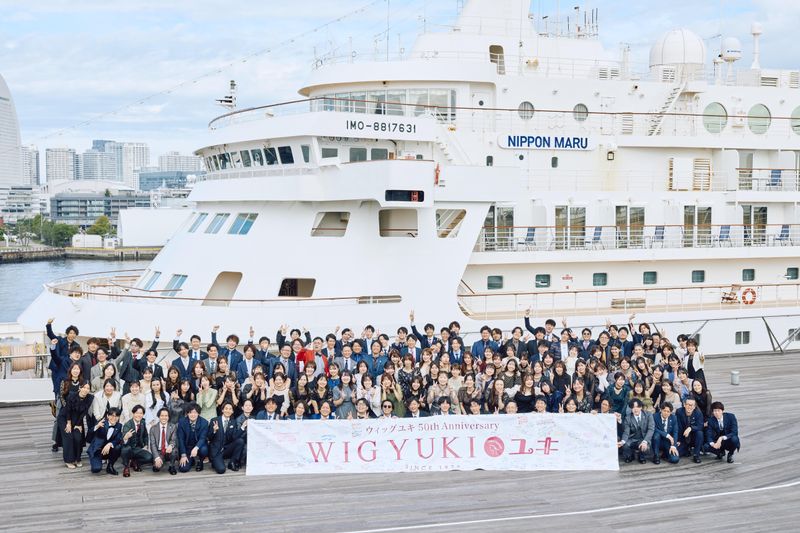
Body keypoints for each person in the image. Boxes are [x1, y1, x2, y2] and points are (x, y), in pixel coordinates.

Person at [59, 381, 93, 469]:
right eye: (84, 387)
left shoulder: (90, 398)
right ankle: (68, 460)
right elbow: (68, 410)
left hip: (78, 420)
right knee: (69, 436)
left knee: (78, 437)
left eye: (88, 388)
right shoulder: (72, 395)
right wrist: (69, 423)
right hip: (65, 418)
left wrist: (78, 424)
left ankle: (77, 458)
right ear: (80, 388)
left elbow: (84, 413)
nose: (85, 390)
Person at [208, 402, 245, 473]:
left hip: (226, 449)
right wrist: (214, 431)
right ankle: (215, 462)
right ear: (222, 410)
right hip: (217, 451)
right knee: (221, 470)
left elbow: (234, 437)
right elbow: (209, 437)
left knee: (240, 441)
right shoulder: (214, 420)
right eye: (226, 408)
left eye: (230, 409)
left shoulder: (233, 422)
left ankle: (232, 462)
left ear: (232, 411)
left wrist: (242, 427)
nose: (228, 410)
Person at [88, 406, 123, 475]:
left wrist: (110, 444)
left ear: (119, 417)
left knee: (118, 447)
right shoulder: (101, 423)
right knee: (96, 469)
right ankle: (95, 460)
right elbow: (89, 436)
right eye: (112, 415)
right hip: (97, 450)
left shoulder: (119, 426)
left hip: (108, 450)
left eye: (116, 416)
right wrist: (97, 426)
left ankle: (110, 466)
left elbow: (118, 439)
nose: (114, 418)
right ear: (107, 416)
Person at [120, 405, 154, 477]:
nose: (139, 415)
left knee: (149, 457)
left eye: (141, 413)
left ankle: (135, 462)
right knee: (126, 449)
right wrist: (125, 437)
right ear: (133, 413)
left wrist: (146, 445)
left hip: (138, 448)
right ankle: (126, 467)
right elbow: (123, 440)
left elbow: (145, 435)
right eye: (137, 413)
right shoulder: (128, 424)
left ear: (143, 414)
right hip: (129, 448)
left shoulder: (143, 423)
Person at [619, 399, 654, 464]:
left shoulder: (648, 415)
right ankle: (630, 455)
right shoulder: (628, 418)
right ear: (631, 409)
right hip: (632, 438)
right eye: (633, 407)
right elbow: (626, 432)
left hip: (643, 438)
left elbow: (651, 429)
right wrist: (623, 441)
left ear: (641, 407)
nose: (635, 409)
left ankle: (641, 456)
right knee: (625, 445)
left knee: (645, 447)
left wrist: (645, 441)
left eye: (637, 407)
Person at [177, 403, 209, 472]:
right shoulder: (182, 422)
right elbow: (181, 439)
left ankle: (200, 461)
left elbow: (202, 438)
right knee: (183, 469)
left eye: (195, 412)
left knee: (204, 449)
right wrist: (183, 455)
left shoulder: (204, 422)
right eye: (190, 412)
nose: (193, 415)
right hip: (187, 447)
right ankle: (191, 460)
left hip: (199, 446)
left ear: (198, 413)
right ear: (187, 413)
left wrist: (196, 448)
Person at [148, 407, 178, 475]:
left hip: (169, 450)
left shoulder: (173, 427)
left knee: (174, 450)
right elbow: (152, 445)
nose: (164, 418)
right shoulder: (153, 429)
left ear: (168, 417)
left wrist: (171, 445)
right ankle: (161, 460)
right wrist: (157, 457)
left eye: (166, 416)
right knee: (157, 468)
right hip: (159, 451)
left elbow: (173, 439)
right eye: (162, 415)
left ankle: (172, 466)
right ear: (159, 416)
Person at [675, 397, 704, 463]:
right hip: (682, 437)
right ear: (684, 405)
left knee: (700, 433)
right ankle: (686, 450)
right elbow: (677, 427)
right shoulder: (679, 411)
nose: (689, 407)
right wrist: (678, 440)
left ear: (694, 406)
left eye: (691, 405)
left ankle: (696, 455)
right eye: (688, 404)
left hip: (693, 437)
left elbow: (700, 426)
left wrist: (690, 428)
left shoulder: (698, 413)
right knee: (675, 454)